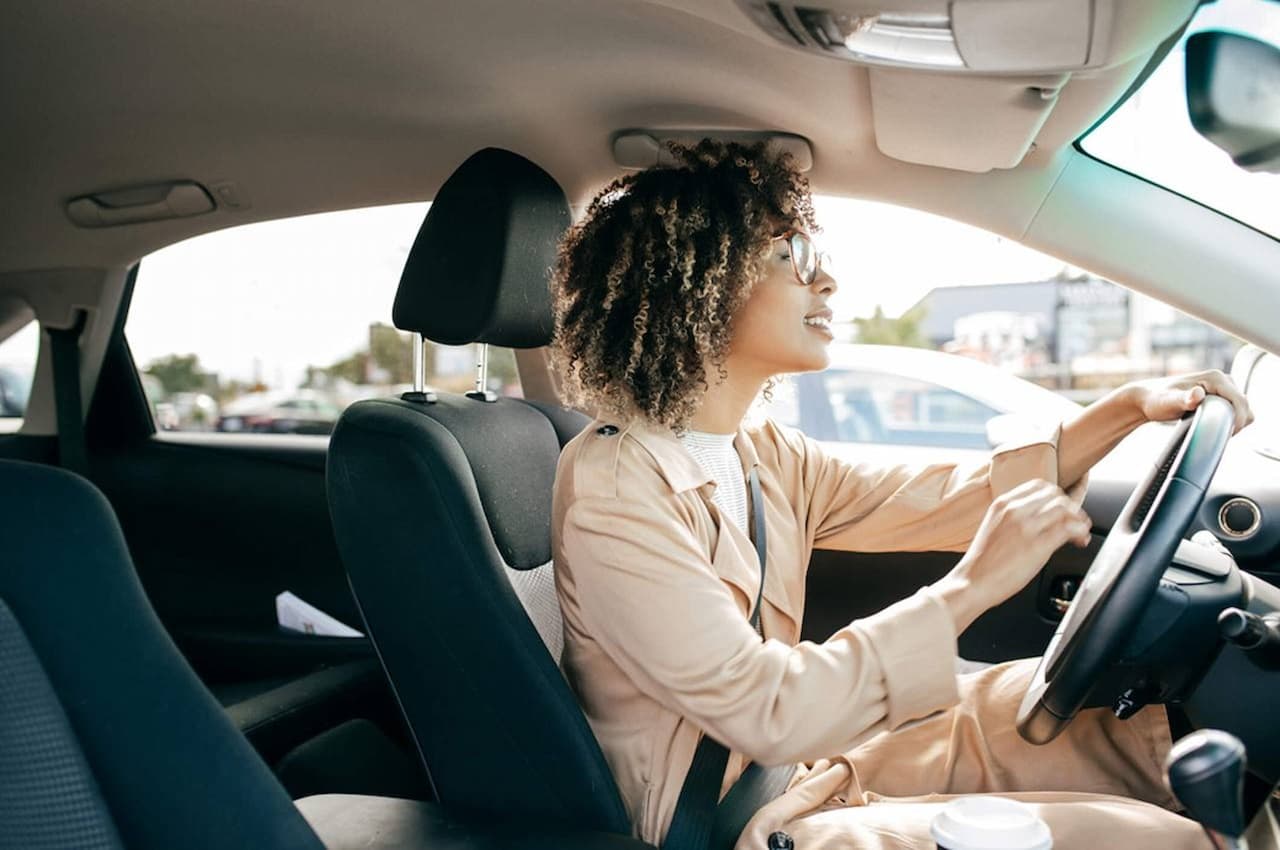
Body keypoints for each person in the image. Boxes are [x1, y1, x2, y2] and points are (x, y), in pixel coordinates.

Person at [548, 140, 1252, 850]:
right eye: (791, 257)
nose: (826, 283)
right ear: (693, 283)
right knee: (1152, 840)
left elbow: (958, 498)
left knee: (1115, 724)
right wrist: (972, 585)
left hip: (798, 765)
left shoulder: (758, 452)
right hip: (730, 822)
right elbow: (766, 708)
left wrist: (1126, 410)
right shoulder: (615, 491)